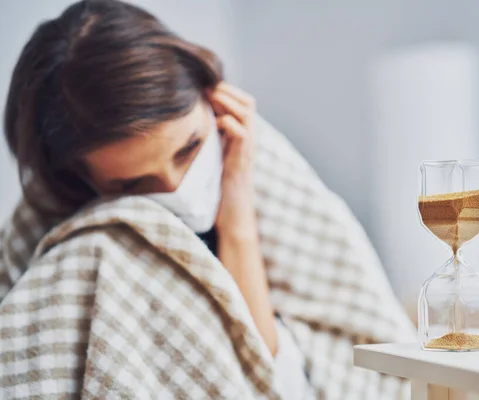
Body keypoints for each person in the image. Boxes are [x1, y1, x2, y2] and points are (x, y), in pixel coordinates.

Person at [0, 1, 415, 399]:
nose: (176, 186)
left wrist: (238, 223)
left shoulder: (254, 157)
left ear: (212, 98)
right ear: (82, 182)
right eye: (134, 185)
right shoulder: (85, 246)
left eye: (189, 148)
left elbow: (285, 388)